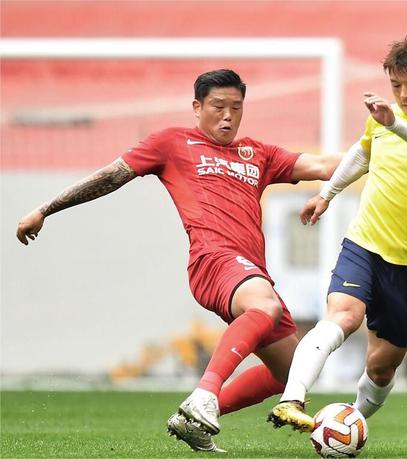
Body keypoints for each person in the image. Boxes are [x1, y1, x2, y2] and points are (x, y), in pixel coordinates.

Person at [16, 69, 341, 452]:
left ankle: (194, 419)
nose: (228, 116)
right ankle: (204, 393)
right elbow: (112, 175)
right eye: (218, 106)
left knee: (291, 371)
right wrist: (46, 209)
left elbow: (324, 167)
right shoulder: (173, 142)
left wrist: (383, 149)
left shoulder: (258, 153)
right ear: (197, 107)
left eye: (236, 108)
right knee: (264, 305)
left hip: (250, 271)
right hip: (213, 260)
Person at [267, 35, 407, 431]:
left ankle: (349, 423)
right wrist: (326, 194)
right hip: (364, 242)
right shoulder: (382, 119)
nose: (403, 94)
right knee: (341, 316)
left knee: (381, 367)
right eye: (396, 85)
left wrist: (394, 123)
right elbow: (363, 153)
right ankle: (291, 399)